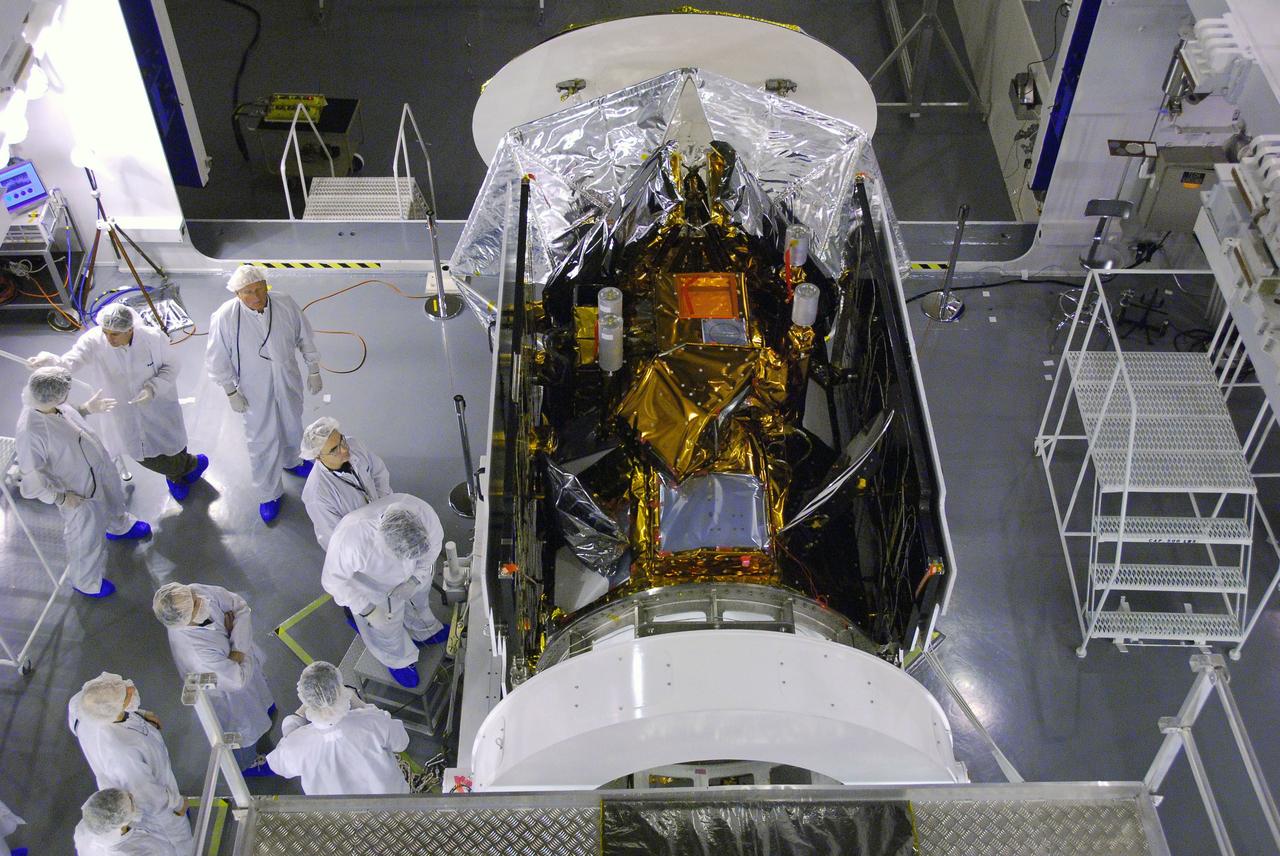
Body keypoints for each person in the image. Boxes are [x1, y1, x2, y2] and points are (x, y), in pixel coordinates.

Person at [27, 304, 209, 502]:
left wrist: (152, 388)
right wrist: (50, 363)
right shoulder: (94, 340)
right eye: (105, 332)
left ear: (130, 329)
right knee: (142, 454)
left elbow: (172, 366)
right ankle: (187, 467)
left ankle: (176, 474)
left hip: (158, 404)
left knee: (172, 442)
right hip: (123, 410)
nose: (109, 338)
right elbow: (70, 362)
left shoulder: (152, 339)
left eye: (114, 334)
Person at [14, 367, 151, 598]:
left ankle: (119, 526)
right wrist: (60, 498)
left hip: (97, 467)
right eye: (65, 392)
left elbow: (66, 421)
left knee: (113, 496)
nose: (67, 395)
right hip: (76, 489)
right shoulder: (29, 431)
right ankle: (85, 581)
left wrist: (87, 408)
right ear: (54, 396)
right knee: (85, 534)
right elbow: (32, 479)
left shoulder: (52, 405)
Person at [205, 264, 322, 523]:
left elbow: (304, 336)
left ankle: (292, 460)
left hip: (287, 378)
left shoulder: (284, 303)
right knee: (262, 439)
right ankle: (269, 493)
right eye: (248, 292)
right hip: (252, 387)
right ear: (237, 293)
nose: (256, 297)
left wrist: (313, 368)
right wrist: (230, 391)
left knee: (292, 422)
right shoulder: (225, 317)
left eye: (260, 289)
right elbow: (217, 358)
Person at [321, 494, 448, 688]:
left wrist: (415, 579)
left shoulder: (423, 514)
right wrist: (367, 610)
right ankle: (397, 659)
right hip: (373, 587)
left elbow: (432, 550)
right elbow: (333, 582)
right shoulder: (351, 540)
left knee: (419, 603)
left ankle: (424, 631)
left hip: (415, 574)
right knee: (385, 629)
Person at [152, 583, 275, 776]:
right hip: (229, 695)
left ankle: (264, 709)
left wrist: (236, 651)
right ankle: (247, 765)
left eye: (193, 595)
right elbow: (237, 681)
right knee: (244, 731)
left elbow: (239, 606)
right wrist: (237, 639)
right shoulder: (196, 652)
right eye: (195, 604)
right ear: (183, 620)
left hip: (243, 670)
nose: (201, 599)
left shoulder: (193, 593)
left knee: (259, 700)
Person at [67, 673, 193, 854]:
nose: (131, 689)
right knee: (178, 842)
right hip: (156, 810)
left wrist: (138, 715)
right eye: (125, 696)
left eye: (122, 685)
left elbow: (102, 702)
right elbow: (147, 795)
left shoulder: (85, 704)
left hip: (131, 798)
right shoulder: (121, 753)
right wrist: (177, 804)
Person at [265, 661, 410, 795]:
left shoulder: (296, 745)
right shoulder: (372, 722)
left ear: (305, 698)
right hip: (393, 803)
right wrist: (362, 705)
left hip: (338, 813)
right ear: (340, 691)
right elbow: (402, 742)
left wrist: (294, 721)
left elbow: (278, 765)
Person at [299, 417, 392, 550]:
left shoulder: (354, 445)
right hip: (359, 541)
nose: (344, 449)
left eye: (341, 440)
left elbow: (378, 472)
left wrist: (384, 505)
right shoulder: (317, 495)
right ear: (317, 457)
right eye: (334, 450)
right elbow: (333, 538)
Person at [73, 789, 172, 856]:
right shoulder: (136, 851)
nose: (131, 796)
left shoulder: (90, 825)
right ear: (120, 824)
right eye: (131, 803)